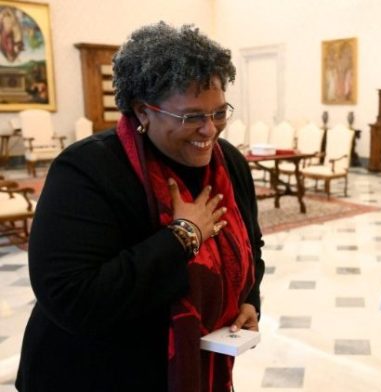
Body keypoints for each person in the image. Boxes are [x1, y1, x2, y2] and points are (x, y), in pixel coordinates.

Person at [16, 22, 264, 392]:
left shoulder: (228, 163)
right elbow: (71, 297)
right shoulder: (86, 170)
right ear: (143, 111)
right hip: (93, 371)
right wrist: (183, 236)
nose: (210, 130)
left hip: (193, 364)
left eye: (219, 113)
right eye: (191, 116)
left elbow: (252, 247)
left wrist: (248, 300)